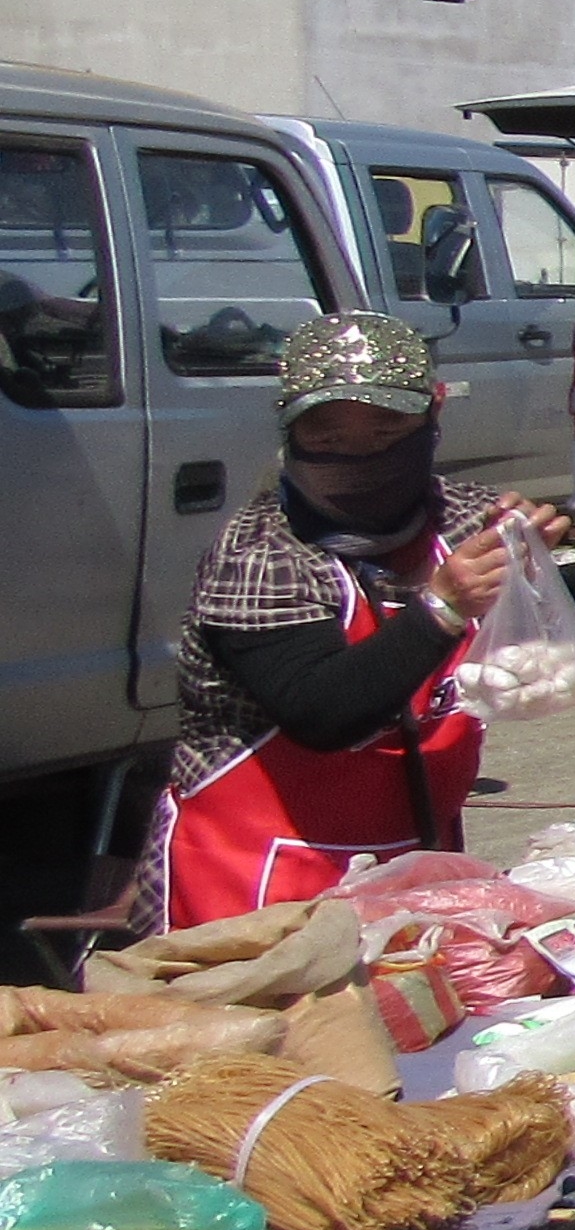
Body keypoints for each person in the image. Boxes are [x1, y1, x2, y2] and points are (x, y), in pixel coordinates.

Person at [142, 315, 551, 930]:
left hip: (409, 864)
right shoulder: (260, 554)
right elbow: (321, 710)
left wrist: (531, 554)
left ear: (432, 415)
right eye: (329, 437)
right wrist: (439, 609)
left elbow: (527, 646)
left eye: (387, 430)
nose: (360, 456)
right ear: (290, 429)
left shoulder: (462, 519)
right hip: (259, 885)